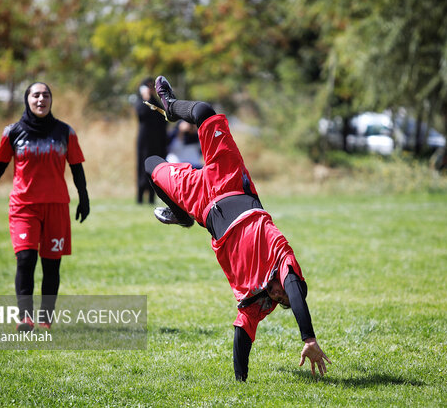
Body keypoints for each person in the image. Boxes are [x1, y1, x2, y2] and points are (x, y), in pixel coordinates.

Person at [144, 76, 331, 381]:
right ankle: (171, 107)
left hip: (204, 204)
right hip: (230, 183)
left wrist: (240, 383)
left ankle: (184, 213)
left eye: (278, 300)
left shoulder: (257, 300)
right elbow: (296, 290)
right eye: (282, 293)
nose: (278, 293)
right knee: (204, 110)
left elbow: (243, 331)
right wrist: (308, 338)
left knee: (151, 164)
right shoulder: (281, 256)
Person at [0, 82, 89, 331]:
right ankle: (25, 317)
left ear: (51, 100)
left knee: (52, 264)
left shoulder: (66, 132)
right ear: (27, 99)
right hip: (24, 206)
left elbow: (76, 167)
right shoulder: (13, 131)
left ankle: (45, 320)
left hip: (56, 205)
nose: (41, 99)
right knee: (26, 258)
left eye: (46, 95)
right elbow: (0, 162)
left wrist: (84, 198)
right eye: (36, 95)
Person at [134, 77, 168, 204]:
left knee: (155, 169)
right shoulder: (141, 102)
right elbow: (141, 114)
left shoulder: (156, 103)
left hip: (157, 142)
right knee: (142, 168)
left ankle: (152, 198)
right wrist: (146, 99)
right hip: (144, 142)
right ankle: (140, 198)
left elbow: (163, 118)